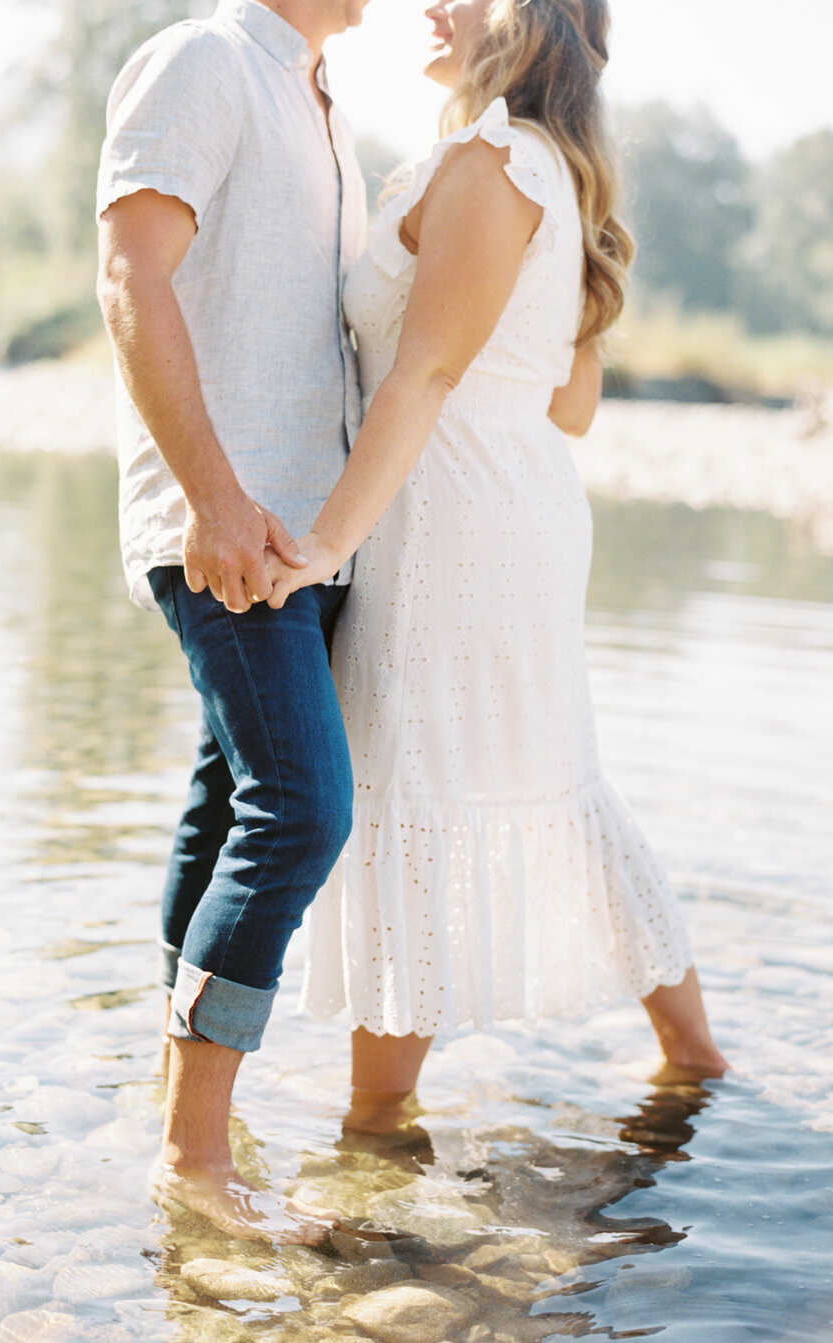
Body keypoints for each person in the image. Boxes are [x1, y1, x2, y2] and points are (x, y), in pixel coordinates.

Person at [265, 0, 730, 1125]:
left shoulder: (489, 164)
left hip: (449, 534)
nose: (430, 3)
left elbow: (420, 377)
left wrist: (324, 540)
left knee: (415, 786)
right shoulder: (547, 173)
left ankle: (376, 1124)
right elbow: (564, 403)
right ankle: (692, 1056)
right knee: (554, 780)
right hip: (512, 515)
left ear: (523, 16)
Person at [95, 0, 368, 1242]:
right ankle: (194, 1158)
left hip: (307, 531)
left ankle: (177, 1111)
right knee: (300, 806)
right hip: (230, 520)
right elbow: (129, 269)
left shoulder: (323, 100)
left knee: (226, 805)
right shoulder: (203, 59)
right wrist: (212, 495)